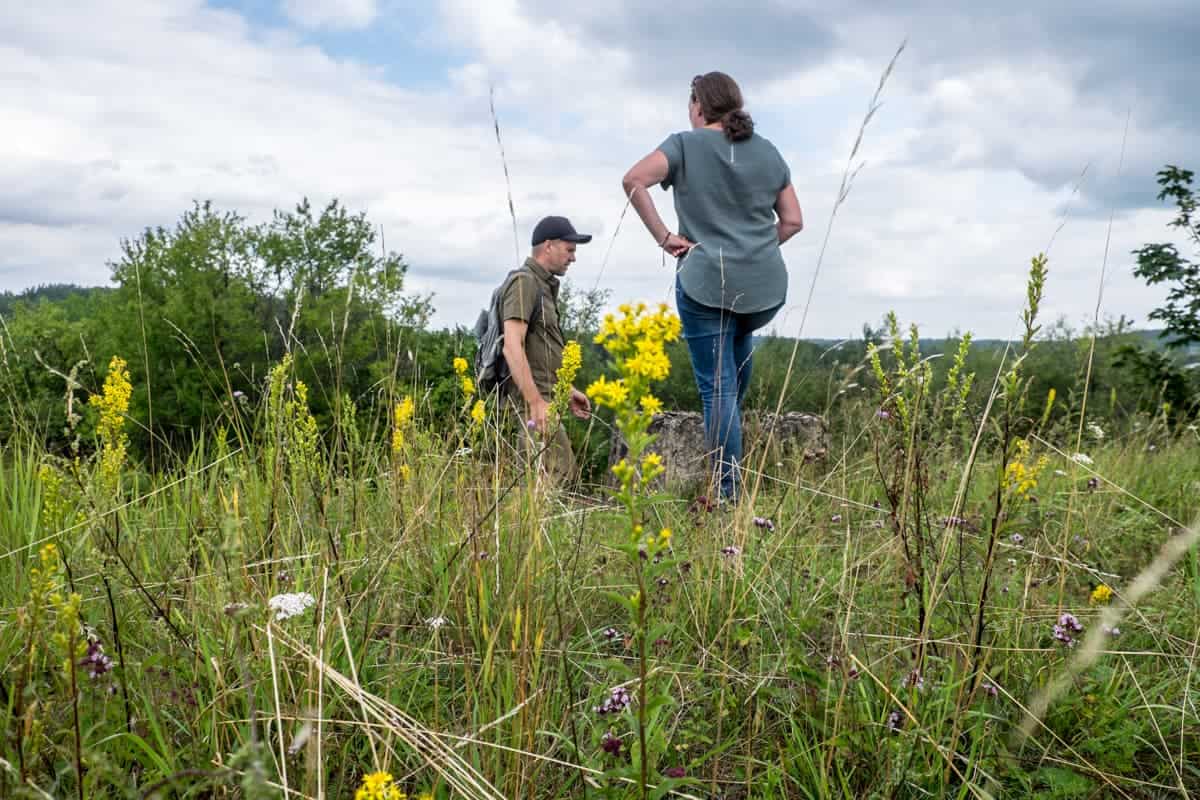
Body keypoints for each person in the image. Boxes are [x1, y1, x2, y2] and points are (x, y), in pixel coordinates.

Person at [621, 71, 804, 502]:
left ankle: (726, 493)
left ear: (699, 106)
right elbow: (793, 221)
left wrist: (665, 238)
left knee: (717, 390)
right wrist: (755, 247)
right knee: (735, 369)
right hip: (764, 286)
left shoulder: (685, 144)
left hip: (705, 280)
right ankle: (732, 470)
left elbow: (633, 180)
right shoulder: (769, 152)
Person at [499, 215, 593, 484]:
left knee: (546, 479)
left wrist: (566, 389)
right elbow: (511, 346)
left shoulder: (543, 287)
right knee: (552, 477)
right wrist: (535, 402)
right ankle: (524, 527)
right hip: (534, 405)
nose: (573, 258)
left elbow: (541, 349)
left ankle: (527, 526)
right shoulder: (524, 282)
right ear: (548, 246)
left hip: (546, 399)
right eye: (570, 249)